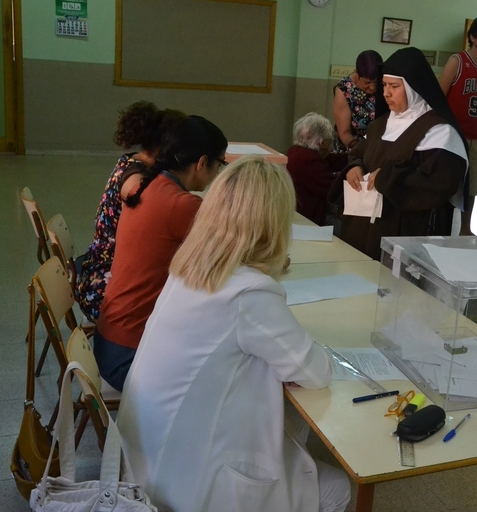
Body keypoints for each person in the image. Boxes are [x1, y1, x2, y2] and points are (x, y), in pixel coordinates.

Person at [117, 156, 350, 512]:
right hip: (185, 486)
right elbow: (317, 372)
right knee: (338, 489)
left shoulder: (188, 268)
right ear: (274, 225)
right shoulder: (249, 292)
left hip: (144, 460)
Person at [94, 115, 228, 391]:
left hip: (110, 338)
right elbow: (233, 258)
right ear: (202, 162)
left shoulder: (149, 185)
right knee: (229, 373)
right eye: (220, 164)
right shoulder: (181, 205)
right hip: (130, 356)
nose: (218, 173)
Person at [330, 47, 468, 260]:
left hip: (404, 232)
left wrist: (388, 177)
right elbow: (361, 155)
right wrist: (355, 167)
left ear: (414, 87)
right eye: (384, 85)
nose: (386, 93)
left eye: (394, 86)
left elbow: (440, 183)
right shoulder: (379, 125)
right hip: (361, 227)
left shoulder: (439, 131)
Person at [77, 102, 185, 321]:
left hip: (99, 270)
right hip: (104, 289)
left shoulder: (131, 161)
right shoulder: (135, 179)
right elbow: (143, 202)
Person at [439, 16, 477, 235]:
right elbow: (439, 97)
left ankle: (465, 228)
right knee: (448, 182)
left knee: (472, 187)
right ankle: (441, 228)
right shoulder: (458, 61)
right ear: (472, 37)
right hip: (455, 135)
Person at [286, 112, 340, 226]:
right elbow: (334, 190)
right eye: (331, 141)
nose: (332, 148)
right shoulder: (309, 161)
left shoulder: (295, 151)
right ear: (322, 143)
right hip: (308, 221)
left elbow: (334, 161)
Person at [332, 50, 384, 157]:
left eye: (376, 82)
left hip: (379, 149)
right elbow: (344, 133)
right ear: (356, 72)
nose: (372, 87)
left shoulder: (386, 83)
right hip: (352, 151)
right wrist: (361, 149)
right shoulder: (344, 90)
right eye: (367, 82)